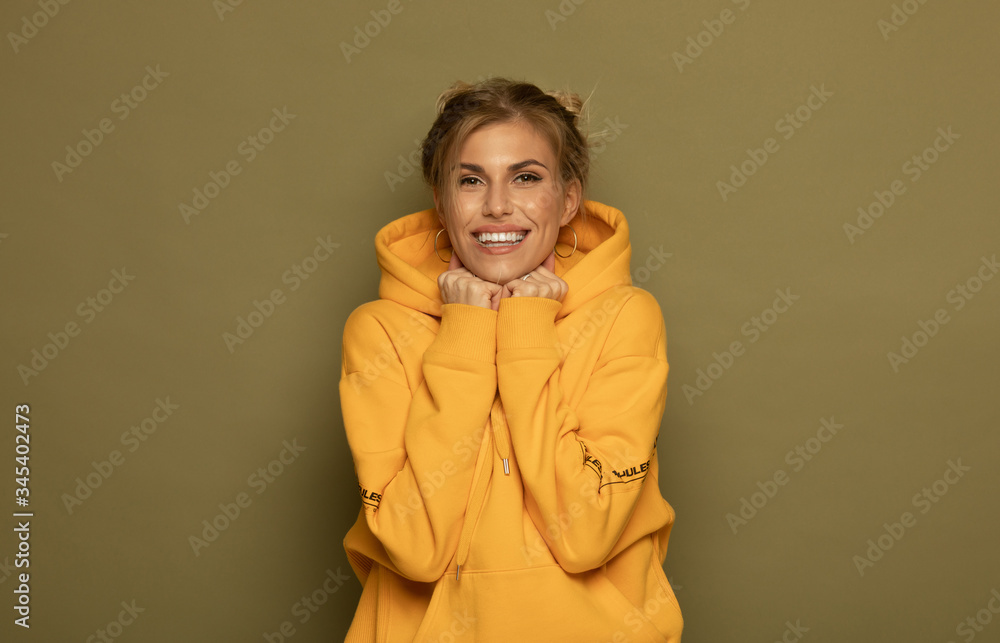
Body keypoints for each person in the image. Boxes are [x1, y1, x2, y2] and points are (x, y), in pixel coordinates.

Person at [339, 77, 682, 642]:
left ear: (568, 199)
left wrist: (525, 330)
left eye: (526, 177)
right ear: (441, 202)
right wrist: (465, 335)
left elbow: (586, 535)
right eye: (470, 180)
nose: (497, 206)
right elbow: (415, 548)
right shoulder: (379, 331)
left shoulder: (625, 318)